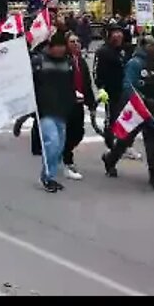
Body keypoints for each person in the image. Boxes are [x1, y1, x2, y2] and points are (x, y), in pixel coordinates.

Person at [102, 38, 154, 191]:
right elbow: (128, 85)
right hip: (138, 108)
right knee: (125, 139)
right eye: (151, 45)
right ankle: (110, 159)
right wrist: (144, 99)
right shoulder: (135, 63)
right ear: (143, 46)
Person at [32, 31, 76, 193]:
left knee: (59, 148)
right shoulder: (39, 61)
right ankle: (47, 177)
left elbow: (70, 85)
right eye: (58, 47)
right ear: (51, 47)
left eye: (62, 48)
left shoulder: (67, 63)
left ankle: (50, 175)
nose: (61, 51)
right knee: (52, 143)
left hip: (61, 111)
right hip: (45, 110)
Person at [62, 33, 98, 180]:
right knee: (68, 132)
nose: (76, 43)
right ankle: (67, 160)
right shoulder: (62, 61)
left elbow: (87, 84)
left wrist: (91, 103)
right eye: (72, 41)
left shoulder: (81, 61)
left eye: (77, 41)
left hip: (79, 102)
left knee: (78, 132)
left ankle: (64, 153)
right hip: (66, 103)